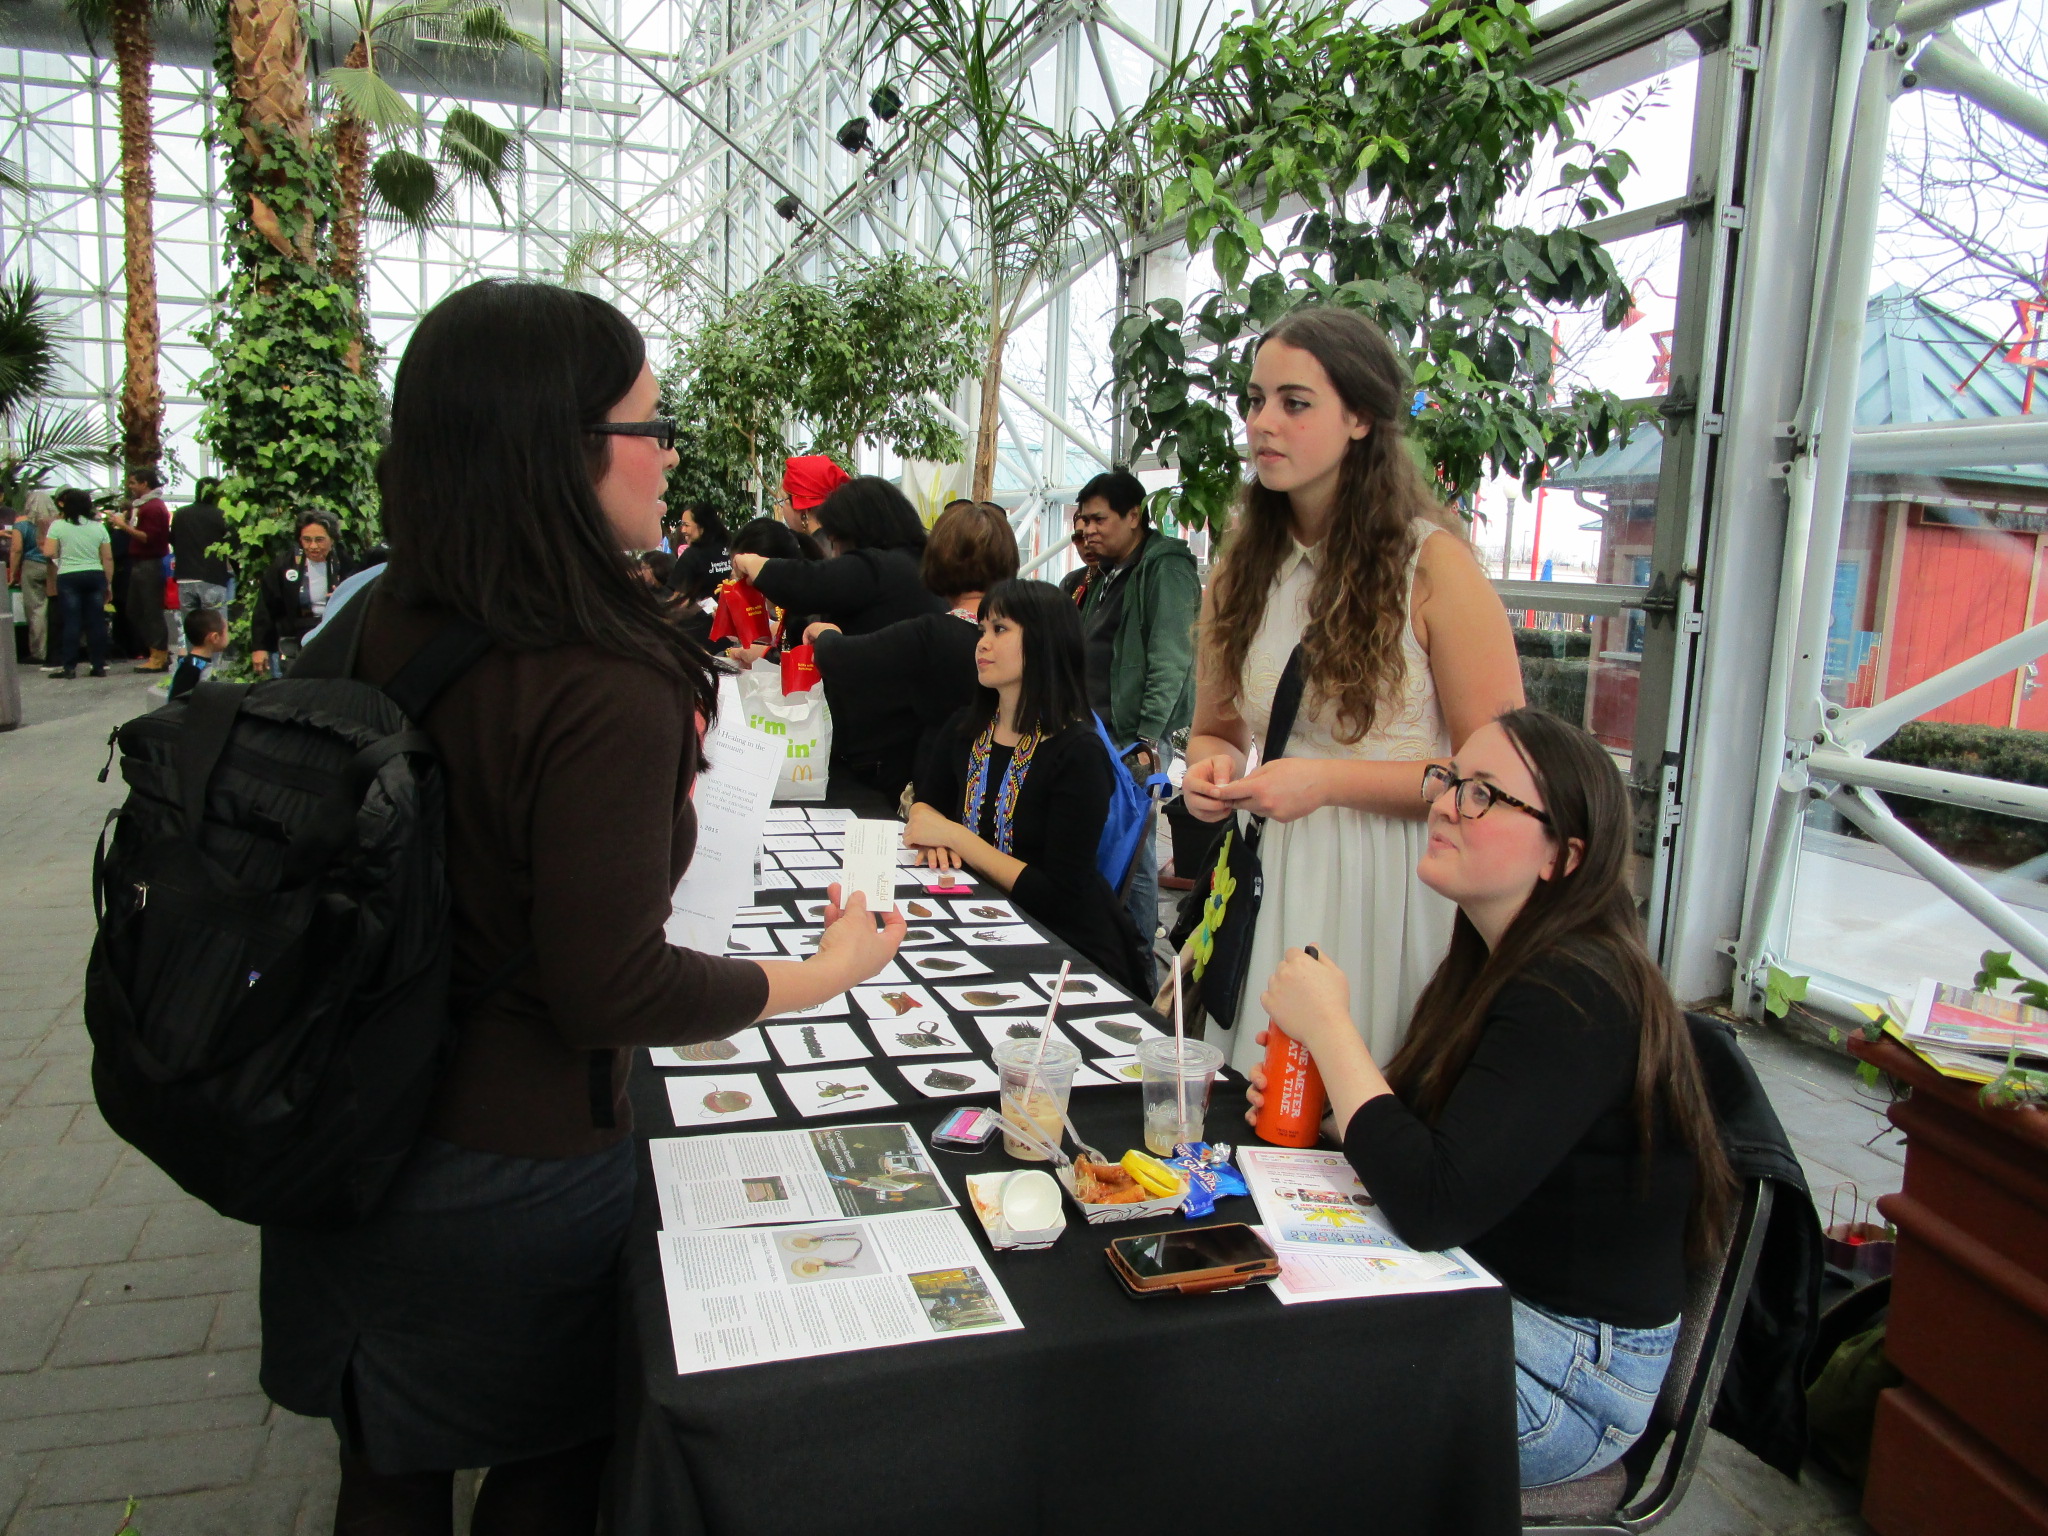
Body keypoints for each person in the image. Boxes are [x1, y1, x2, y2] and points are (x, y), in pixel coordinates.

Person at [256, 278, 906, 1536]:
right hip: (511, 1163)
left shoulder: (375, 618)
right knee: (548, 1464)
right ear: (559, 448)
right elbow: (608, 985)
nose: (668, 460)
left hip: (343, 1119)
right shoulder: (599, 674)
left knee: (384, 1465)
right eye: (649, 428)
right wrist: (818, 975)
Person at [1246, 707, 1736, 1489]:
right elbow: (1454, 1155)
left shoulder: (1576, 989)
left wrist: (1332, 1034)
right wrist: (1338, 1115)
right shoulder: (1493, 961)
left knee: (1261, 1402)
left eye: (1483, 794)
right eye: (1447, 779)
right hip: (1487, 1297)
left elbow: (1434, 1201)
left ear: (1562, 857)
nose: (1444, 803)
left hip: (1566, 1372)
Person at [1179, 306, 1524, 1073]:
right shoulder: (1240, 573)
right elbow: (1216, 730)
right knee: (1261, 1099)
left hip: (1397, 884)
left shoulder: (1434, 569)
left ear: (1361, 418)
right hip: (1272, 873)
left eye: (1295, 404)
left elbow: (1500, 784)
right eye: (1255, 400)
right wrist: (1211, 774)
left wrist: (1326, 782)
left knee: (1367, 1107)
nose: (1264, 423)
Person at [907, 578, 1151, 992]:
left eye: (999, 630)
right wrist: (933, 832)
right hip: (976, 922)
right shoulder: (965, 728)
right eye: (982, 630)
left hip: (1065, 949)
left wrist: (953, 837)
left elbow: (1059, 895)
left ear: (1044, 642)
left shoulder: (1078, 752)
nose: (982, 644)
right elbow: (922, 811)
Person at [802, 501, 1020, 804]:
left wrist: (826, 634)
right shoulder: (1026, 633)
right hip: (1008, 787)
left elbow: (844, 659)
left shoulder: (932, 634)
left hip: (942, 791)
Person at [1073, 469, 1202, 960]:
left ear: (1134, 516)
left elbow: (1171, 659)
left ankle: (1137, 960)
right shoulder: (1108, 572)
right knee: (1111, 847)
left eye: (1099, 519)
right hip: (1100, 731)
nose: (1088, 530)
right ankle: (1112, 949)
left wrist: (1148, 740)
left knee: (1134, 855)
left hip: (1134, 738)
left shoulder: (1163, 570)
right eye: (1083, 520)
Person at [733, 476, 943, 640]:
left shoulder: (880, 566)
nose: (835, 554)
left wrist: (753, 563)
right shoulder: (915, 562)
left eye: (835, 542)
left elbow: (809, 583)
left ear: (856, 532)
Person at [251, 511, 357, 677]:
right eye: (307, 540)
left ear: (332, 539)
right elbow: (266, 606)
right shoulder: (285, 565)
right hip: (294, 640)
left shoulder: (345, 565)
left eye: (319, 540)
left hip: (332, 638)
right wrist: (260, 647)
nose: (313, 546)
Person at [40, 487, 112, 679]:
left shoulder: (58, 526)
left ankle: (69, 667)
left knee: (72, 621)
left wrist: (61, 560)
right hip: (94, 574)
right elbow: (107, 558)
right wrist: (108, 583)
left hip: (69, 576)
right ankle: (98, 665)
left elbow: (48, 552)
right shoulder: (98, 527)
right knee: (95, 622)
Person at [107, 467, 173, 670]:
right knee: (135, 609)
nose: (130, 487)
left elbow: (147, 537)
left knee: (150, 609)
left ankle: (159, 653)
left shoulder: (152, 508)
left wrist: (123, 525)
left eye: (133, 482)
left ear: (145, 484)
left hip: (149, 563)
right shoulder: (144, 506)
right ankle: (156, 649)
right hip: (140, 563)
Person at [169, 476, 231, 654]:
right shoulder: (220, 515)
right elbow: (231, 545)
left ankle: (194, 665)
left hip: (185, 577)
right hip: (212, 576)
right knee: (216, 628)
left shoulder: (180, 514)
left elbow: (172, 539)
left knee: (192, 629)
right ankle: (214, 673)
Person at [9, 491, 54, 664]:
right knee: (55, 609)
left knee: (36, 610)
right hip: (53, 566)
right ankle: (57, 649)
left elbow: (16, 549)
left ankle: (39, 652)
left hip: (31, 567)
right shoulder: (56, 524)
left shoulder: (21, 526)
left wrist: (13, 573)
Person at [773, 454, 850, 535]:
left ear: (804, 511)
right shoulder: (842, 542)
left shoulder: (813, 546)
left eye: (782, 501)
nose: (782, 509)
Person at [166, 606, 228, 701]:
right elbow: (177, 702)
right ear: (215, 637)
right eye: (226, 632)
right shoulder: (192, 667)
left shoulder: (197, 664)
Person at [1056, 516, 1096, 606]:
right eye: (1079, 538)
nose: (1086, 544)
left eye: (1093, 535)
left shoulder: (1127, 580)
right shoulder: (1070, 581)